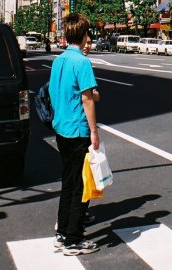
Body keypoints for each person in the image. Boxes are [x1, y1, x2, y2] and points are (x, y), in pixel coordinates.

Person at [49, 13, 100, 256]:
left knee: (68, 181)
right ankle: (73, 239)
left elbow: (55, 91)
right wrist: (94, 131)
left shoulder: (59, 60)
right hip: (78, 128)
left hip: (60, 127)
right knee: (81, 185)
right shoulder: (82, 62)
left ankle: (62, 232)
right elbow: (88, 98)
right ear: (83, 35)